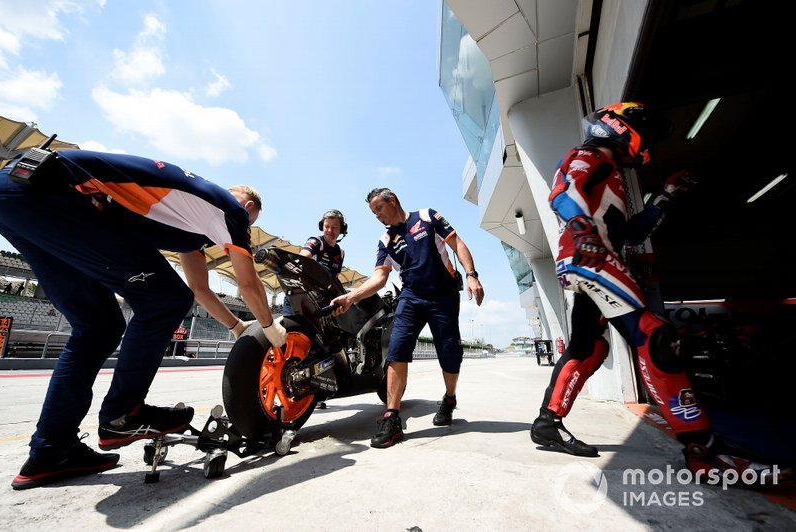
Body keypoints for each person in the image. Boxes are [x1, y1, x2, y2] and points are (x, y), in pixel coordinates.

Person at [0, 149, 287, 490]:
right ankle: (123, 414)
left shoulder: (187, 217)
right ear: (249, 211)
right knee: (165, 299)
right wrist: (269, 327)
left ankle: (50, 451)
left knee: (97, 325)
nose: (239, 236)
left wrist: (238, 328)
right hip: (57, 195)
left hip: (14, 195)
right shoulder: (230, 211)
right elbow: (248, 284)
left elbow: (199, 289)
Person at [530, 102, 789, 483]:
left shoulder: (612, 172)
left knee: (589, 348)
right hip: (592, 257)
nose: (645, 142)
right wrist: (584, 230)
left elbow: (632, 234)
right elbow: (562, 192)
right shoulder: (590, 155)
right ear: (617, 125)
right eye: (643, 131)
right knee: (658, 339)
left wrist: (666, 195)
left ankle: (547, 423)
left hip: (592, 258)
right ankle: (704, 453)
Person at [330, 188, 484, 448]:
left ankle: (449, 398)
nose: (376, 215)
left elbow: (456, 243)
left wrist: (471, 274)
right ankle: (391, 418)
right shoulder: (386, 240)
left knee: (449, 353)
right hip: (410, 297)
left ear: (392, 201)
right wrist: (351, 297)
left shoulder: (427, 216)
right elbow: (380, 278)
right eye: (373, 212)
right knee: (397, 350)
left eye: (378, 209)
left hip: (443, 295)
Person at [282, 209, 347, 315]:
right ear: (322, 227)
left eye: (334, 227)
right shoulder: (316, 242)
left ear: (342, 229)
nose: (330, 230)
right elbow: (303, 257)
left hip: (322, 301)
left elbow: (335, 279)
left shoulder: (341, 253)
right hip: (301, 296)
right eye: (327, 226)